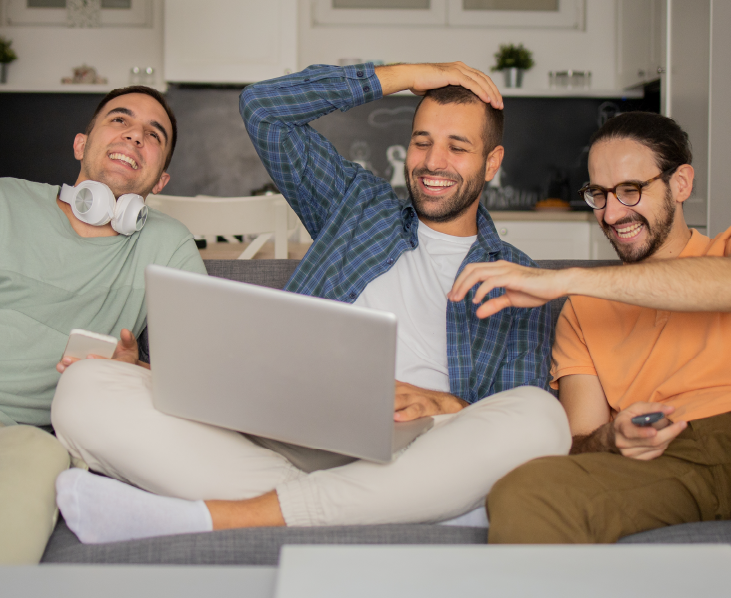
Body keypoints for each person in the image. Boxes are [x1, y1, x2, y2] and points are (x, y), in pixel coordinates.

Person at [50, 62, 570, 542]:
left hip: (419, 447)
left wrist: (443, 404)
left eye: (457, 146)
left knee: (540, 418)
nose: (433, 162)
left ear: (491, 161)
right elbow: (264, 109)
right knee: (84, 389)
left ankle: (247, 515)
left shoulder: (518, 278)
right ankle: (381, 507)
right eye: (421, 142)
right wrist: (414, 72)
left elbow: (508, 409)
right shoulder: (357, 206)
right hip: (280, 432)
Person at [449, 111, 731, 597]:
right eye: (599, 195)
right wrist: (612, 437)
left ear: (682, 182)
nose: (611, 214)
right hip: (672, 460)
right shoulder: (583, 313)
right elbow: (582, 437)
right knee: (528, 488)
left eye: (630, 190)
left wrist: (563, 277)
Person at [0, 85, 204, 579]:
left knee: (41, 457)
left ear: (161, 177)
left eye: (153, 135)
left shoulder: (168, 245)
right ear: (80, 144)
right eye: (120, 120)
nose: (135, 136)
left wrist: (133, 376)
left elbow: (201, 374)